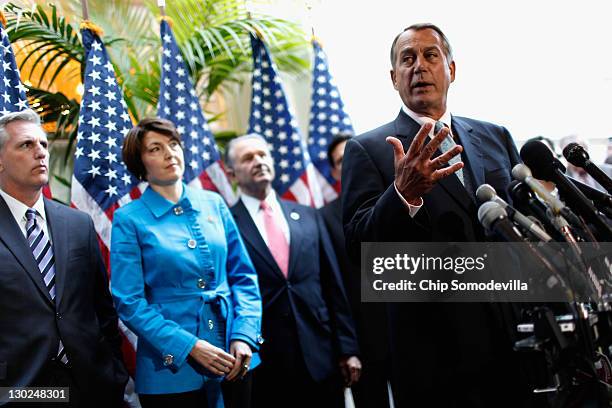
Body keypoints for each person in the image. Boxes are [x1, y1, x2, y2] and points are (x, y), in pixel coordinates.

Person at [341, 24, 531, 407]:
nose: (419, 67)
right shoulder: (369, 149)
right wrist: (402, 195)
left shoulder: (495, 136)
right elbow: (359, 248)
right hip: (436, 354)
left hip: (515, 339)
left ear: (451, 69)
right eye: (407, 59)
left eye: (430, 55)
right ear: (394, 78)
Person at [110, 118, 262, 408]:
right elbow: (129, 302)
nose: (170, 153)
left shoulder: (214, 203)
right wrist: (188, 345)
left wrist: (244, 335)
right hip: (169, 369)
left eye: (173, 144)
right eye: (155, 148)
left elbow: (243, 276)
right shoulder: (128, 219)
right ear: (140, 163)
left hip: (235, 355)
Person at [0, 109, 128, 407]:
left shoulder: (78, 223)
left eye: (43, 144)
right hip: (19, 391)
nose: (40, 153)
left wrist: (114, 372)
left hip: (92, 386)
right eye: (26, 145)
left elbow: (102, 309)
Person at [225, 134, 361, 408]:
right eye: (248, 158)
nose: (259, 161)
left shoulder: (308, 215)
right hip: (265, 364)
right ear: (231, 173)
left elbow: (332, 284)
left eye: (263, 155)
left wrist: (348, 349)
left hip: (321, 359)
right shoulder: (226, 222)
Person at [319, 133, 390, 408]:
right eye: (341, 161)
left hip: (409, 332)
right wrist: (347, 348)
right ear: (335, 171)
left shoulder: (398, 201)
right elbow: (332, 287)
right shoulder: (323, 219)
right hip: (363, 343)